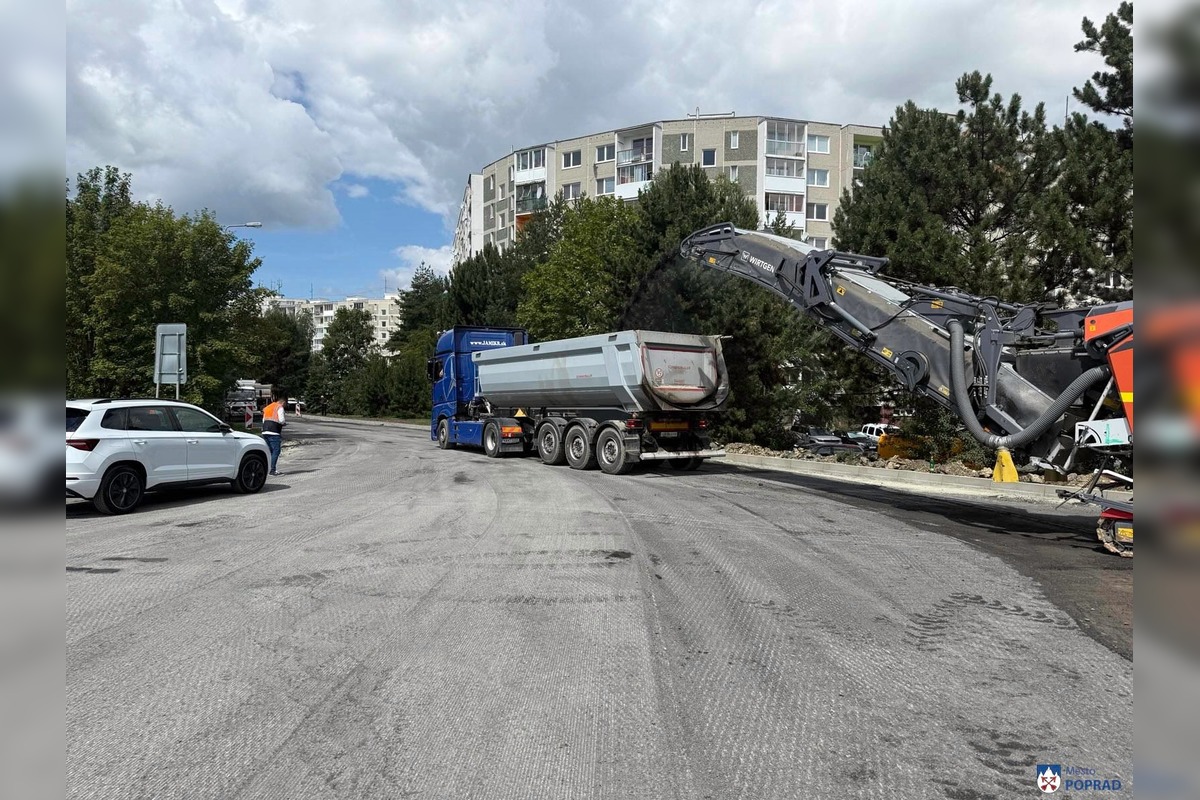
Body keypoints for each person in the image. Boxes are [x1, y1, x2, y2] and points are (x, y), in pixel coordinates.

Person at [261, 394, 286, 476]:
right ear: (283, 402)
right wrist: (284, 423)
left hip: (265, 431)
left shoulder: (268, 407)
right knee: (276, 451)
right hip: (274, 431)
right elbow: (281, 420)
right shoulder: (279, 407)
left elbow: (264, 420)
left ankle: (268, 469)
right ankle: (272, 470)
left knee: (270, 451)